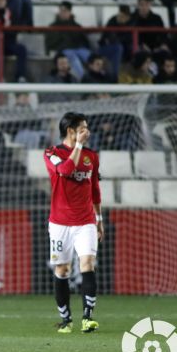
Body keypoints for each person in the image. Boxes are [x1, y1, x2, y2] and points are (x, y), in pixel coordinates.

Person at [44, 112, 102, 334]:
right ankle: (66, 320)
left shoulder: (92, 156)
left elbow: (95, 189)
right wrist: (78, 146)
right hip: (59, 223)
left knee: (87, 264)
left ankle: (87, 317)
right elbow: (65, 170)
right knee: (62, 268)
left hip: (85, 220)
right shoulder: (52, 153)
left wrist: (100, 220)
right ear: (71, 131)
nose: (87, 131)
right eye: (83, 128)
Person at [45, 1, 91, 79]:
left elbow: (84, 40)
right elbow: (50, 43)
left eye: (65, 11)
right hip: (63, 49)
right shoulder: (53, 27)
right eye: (61, 11)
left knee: (92, 56)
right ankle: (84, 80)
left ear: (70, 12)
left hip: (78, 48)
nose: (62, 13)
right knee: (72, 56)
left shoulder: (76, 26)